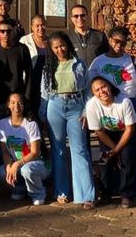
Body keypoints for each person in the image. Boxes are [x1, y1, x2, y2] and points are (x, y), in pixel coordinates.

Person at [87, 26, 136, 197]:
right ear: (109, 40)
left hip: (129, 106)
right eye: (116, 41)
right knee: (107, 150)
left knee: (131, 150)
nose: (119, 45)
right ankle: (111, 188)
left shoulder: (133, 61)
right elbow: (91, 87)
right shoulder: (98, 62)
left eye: (123, 42)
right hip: (106, 107)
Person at [41, 31, 95, 207]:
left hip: (75, 106)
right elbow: (44, 93)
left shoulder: (79, 64)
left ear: (68, 45)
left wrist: (86, 112)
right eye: (56, 47)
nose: (60, 50)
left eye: (62, 45)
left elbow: (88, 90)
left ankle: (85, 195)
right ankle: (61, 192)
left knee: (80, 149)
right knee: (58, 150)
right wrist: (42, 114)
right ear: (51, 49)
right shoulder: (48, 67)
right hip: (55, 105)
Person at [84, 75, 136, 208]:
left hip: (125, 131)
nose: (102, 91)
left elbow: (130, 129)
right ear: (93, 93)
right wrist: (113, 151)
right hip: (106, 133)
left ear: (109, 86)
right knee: (105, 159)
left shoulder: (124, 101)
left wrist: (117, 150)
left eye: (103, 87)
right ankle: (106, 194)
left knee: (126, 157)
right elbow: (98, 131)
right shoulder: (91, 105)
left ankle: (127, 194)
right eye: (97, 90)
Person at [0, 92, 48, 206]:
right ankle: (20, 188)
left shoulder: (31, 124)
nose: (16, 106)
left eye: (20, 103)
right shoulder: (2, 123)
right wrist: (8, 166)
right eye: (13, 103)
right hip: (18, 165)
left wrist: (17, 164)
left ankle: (38, 193)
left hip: (37, 163)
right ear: (8, 105)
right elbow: (5, 151)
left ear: (24, 105)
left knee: (27, 170)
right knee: (1, 172)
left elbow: (35, 153)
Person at [0, 19, 32, 127]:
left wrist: (26, 98)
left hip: (16, 99)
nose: (6, 34)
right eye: (2, 31)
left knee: (18, 130)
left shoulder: (22, 49)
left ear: (13, 31)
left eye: (9, 31)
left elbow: (29, 75)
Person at [19, 14, 49, 123]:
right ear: (32, 27)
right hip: (31, 83)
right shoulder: (25, 41)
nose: (40, 28)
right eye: (37, 25)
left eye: (43, 25)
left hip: (47, 84)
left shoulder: (51, 41)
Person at [68, 4, 108, 68]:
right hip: (76, 73)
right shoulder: (67, 38)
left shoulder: (99, 35)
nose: (79, 18)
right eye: (76, 16)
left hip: (96, 72)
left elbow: (107, 56)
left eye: (82, 15)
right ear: (72, 18)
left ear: (87, 16)